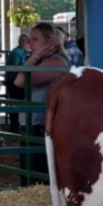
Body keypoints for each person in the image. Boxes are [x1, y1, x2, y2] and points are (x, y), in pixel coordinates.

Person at [14, 22, 71, 186]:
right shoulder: (46, 61)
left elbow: (19, 80)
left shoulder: (56, 62)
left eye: (35, 40)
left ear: (49, 42)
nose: (31, 44)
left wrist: (37, 55)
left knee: (35, 176)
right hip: (33, 122)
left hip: (39, 124)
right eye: (30, 40)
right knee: (29, 172)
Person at [4, 34, 30, 133]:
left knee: (17, 103)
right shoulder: (17, 52)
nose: (29, 44)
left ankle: (17, 126)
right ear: (22, 42)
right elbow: (16, 67)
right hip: (14, 81)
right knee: (15, 103)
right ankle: (15, 127)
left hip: (17, 80)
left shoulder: (23, 52)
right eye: (27, 42)